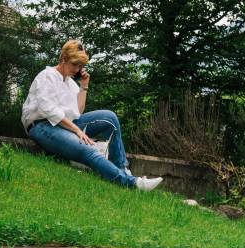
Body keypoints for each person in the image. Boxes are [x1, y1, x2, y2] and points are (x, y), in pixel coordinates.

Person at [21, 39, 162, 191]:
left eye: (80, 66)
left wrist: (84, 86)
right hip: (42, 126)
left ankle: (122, 169)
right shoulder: (47, 76)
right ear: (63, 59)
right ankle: (132, 183)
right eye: (75, 64)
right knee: (88, 148)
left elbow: (78, 112)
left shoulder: (70, 83)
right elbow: (48, 110)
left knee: (109, 117)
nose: (77, 69)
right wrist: (77, 130)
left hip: (64, 125)